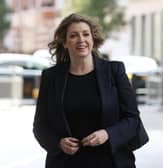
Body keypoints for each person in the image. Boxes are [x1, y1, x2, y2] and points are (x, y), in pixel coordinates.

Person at [33, 13, 148, 168]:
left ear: (92, 40)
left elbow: (132, 119)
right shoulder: (51, 77)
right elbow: (40, 125)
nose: (81, 40)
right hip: (66, 163)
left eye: (85, 34)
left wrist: (107, 134)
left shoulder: (114, 71)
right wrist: (58, 143)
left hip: (111, 161)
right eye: (73, 35)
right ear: (65, 42)